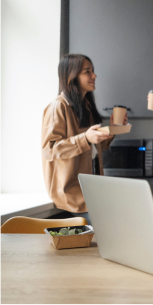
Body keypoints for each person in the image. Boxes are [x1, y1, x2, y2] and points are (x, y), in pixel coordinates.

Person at [42, 54, 127, 224]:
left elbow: (94, 149)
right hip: (72, 195)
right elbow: (49, 150)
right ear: (71, 75)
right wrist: (85, 139)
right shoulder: (58, 106)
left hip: (92, 191)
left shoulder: (85, 106)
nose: (94, 76)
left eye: (92, 71)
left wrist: (112, 130)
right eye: (87, 72)